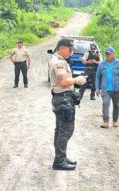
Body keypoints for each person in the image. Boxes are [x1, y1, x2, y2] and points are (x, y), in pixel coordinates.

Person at [49, 38, 86, 170]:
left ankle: (61, 157)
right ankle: (59, 161)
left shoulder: (60, 60)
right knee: (66, 130)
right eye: (70, 50)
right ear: (62, 48)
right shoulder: (58, 62)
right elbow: (63, 82)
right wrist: (77, 80)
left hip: (62, 98)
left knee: (60, 130)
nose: (71, 52)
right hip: (62, 99)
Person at [95, 47, 119, 128]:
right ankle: (105, 121)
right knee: (105, 104)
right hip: (105, 89)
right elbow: (97, 77)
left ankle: (115, 121)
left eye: (110, 54)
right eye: (107, 54)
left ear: (113, 54)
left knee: (116, 105)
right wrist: (97, 88)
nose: (108, 55)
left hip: (117, 89)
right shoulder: (101, 64)